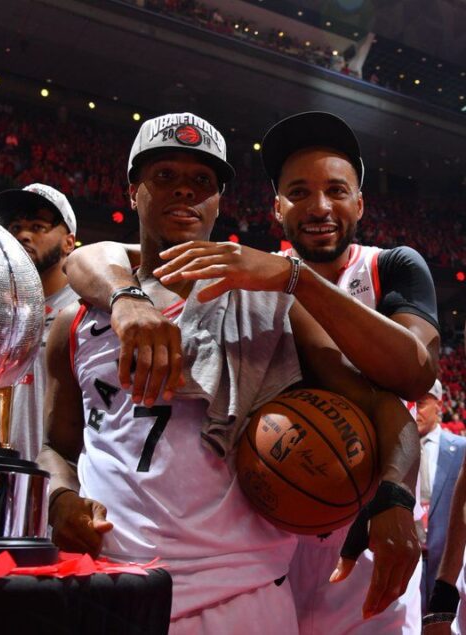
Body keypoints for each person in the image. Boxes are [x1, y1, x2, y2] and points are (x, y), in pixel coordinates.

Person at [39, 112, 419, 633]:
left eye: (202, 181)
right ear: (132, 190)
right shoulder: (75, 320)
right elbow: (57, 447)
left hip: (239, 596)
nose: (184, 191)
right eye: (165, 175)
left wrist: (395, 494)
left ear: (219, 200)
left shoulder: (272, 308)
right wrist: (59, 496)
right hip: (105, 583)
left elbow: (384, 406)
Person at [0, 183, 77, 460]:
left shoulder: (84, 310)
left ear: (69, 242)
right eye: (16, 227)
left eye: (38, 227)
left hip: (57, 475)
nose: (23, 235)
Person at [416, 379, 466, 612]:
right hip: (406, 563)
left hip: (448, 565)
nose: (414, 411)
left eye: (420, 403)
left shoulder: (462, 448)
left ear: (439, 405)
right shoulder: (394, 451)